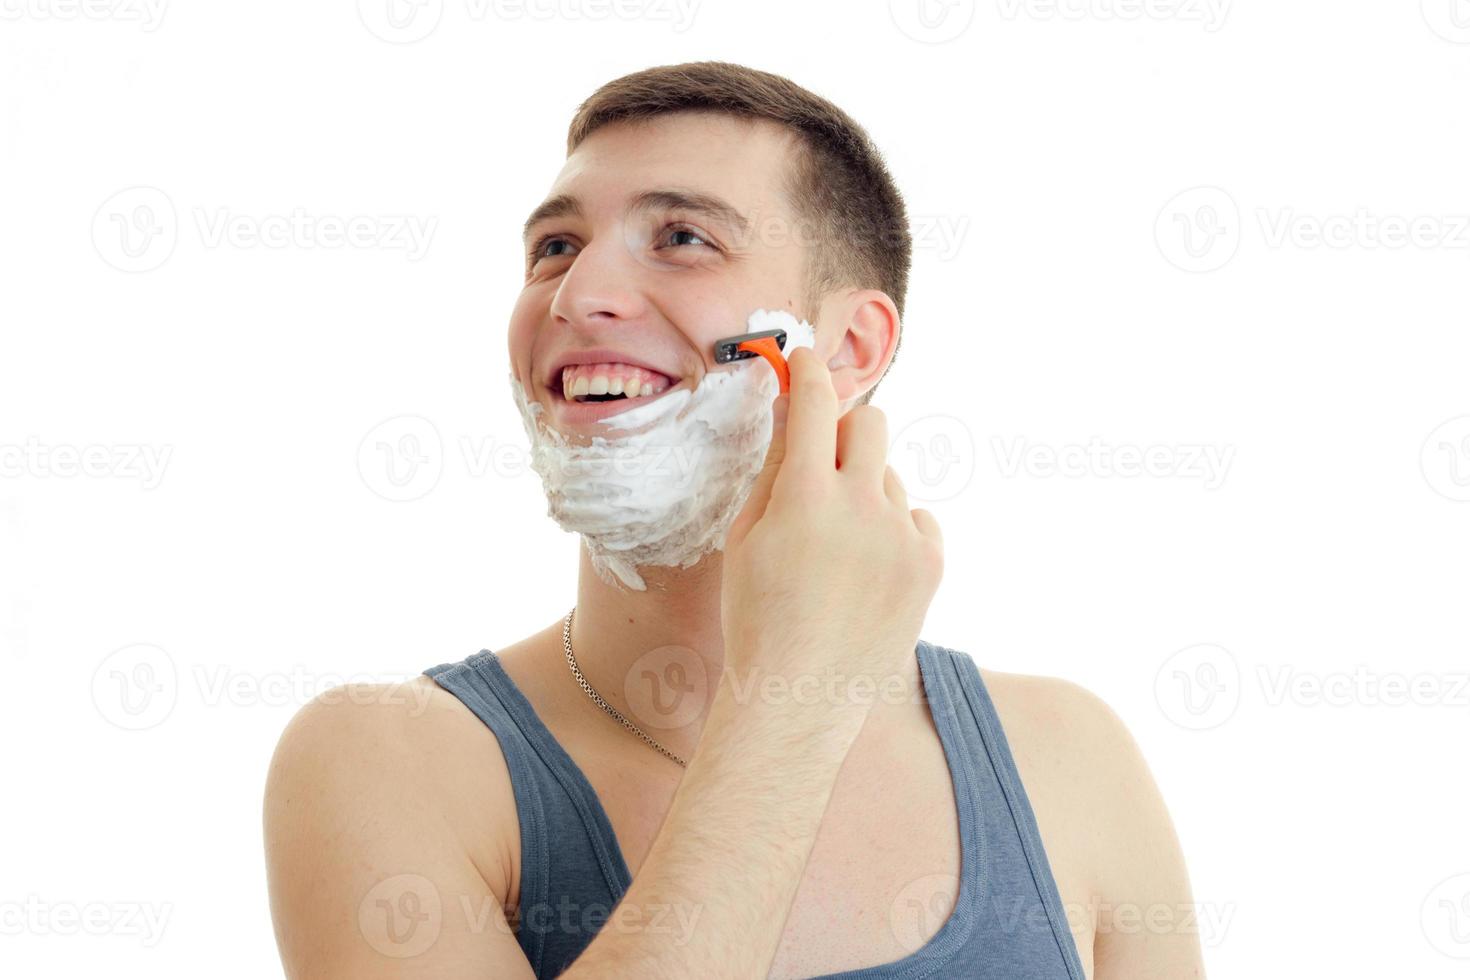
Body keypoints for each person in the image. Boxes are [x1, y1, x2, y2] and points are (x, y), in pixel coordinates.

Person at [264, 61, 1205, 979]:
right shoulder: (391, 758)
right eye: (554, 246)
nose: (576, 293)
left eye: (682, 238)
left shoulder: (1069, 760)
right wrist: (792, 697)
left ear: (846, 346)